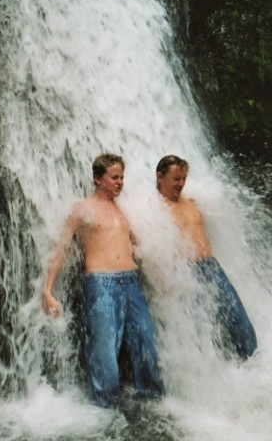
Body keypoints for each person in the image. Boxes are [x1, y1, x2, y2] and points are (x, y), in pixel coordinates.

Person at [42, 153, 164, 407]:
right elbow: (61, 248)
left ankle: (152, 399)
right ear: (97, 179)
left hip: (131, 282)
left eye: (122, 177)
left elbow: (142, 249)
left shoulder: (124, 210)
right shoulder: (81, 208)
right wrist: (47, 290)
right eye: (114, 177)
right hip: (101, 284)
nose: (120, 182)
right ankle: (105, 405)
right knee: (104, 348)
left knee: (145, 339)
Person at [155, 154, 257, 360]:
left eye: (183, 178)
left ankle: (254, 364)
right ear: (160, 177)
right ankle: (208, 376)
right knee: (199, 327)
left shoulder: (192, 202)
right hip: (185, 272)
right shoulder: (153, 208)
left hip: (211, 267)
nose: (181, 184)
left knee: (238, 318)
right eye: (176, 179)